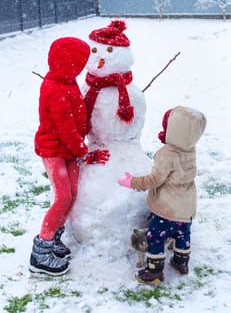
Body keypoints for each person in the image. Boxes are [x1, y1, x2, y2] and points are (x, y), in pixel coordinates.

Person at [30, 37, 110, 276]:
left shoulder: (69, 81)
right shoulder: (54, 88)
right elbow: (65, 129)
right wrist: (85, 154)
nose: (83, 67)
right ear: (68, 63)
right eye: (79, 62)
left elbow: (78, 111)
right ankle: (40, 252)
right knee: (62, 196)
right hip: (54, 149)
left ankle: (54, 238)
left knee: (72, 194)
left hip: (70, 150)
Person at [118, 106, 207, 284]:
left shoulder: (167, 154)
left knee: (156, 236)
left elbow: (154, 180)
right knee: (183, 233)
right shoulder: (189, 149)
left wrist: (132, 182)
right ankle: (181, 262)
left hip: (168, 209)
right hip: (186, 206)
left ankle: (154, 271)